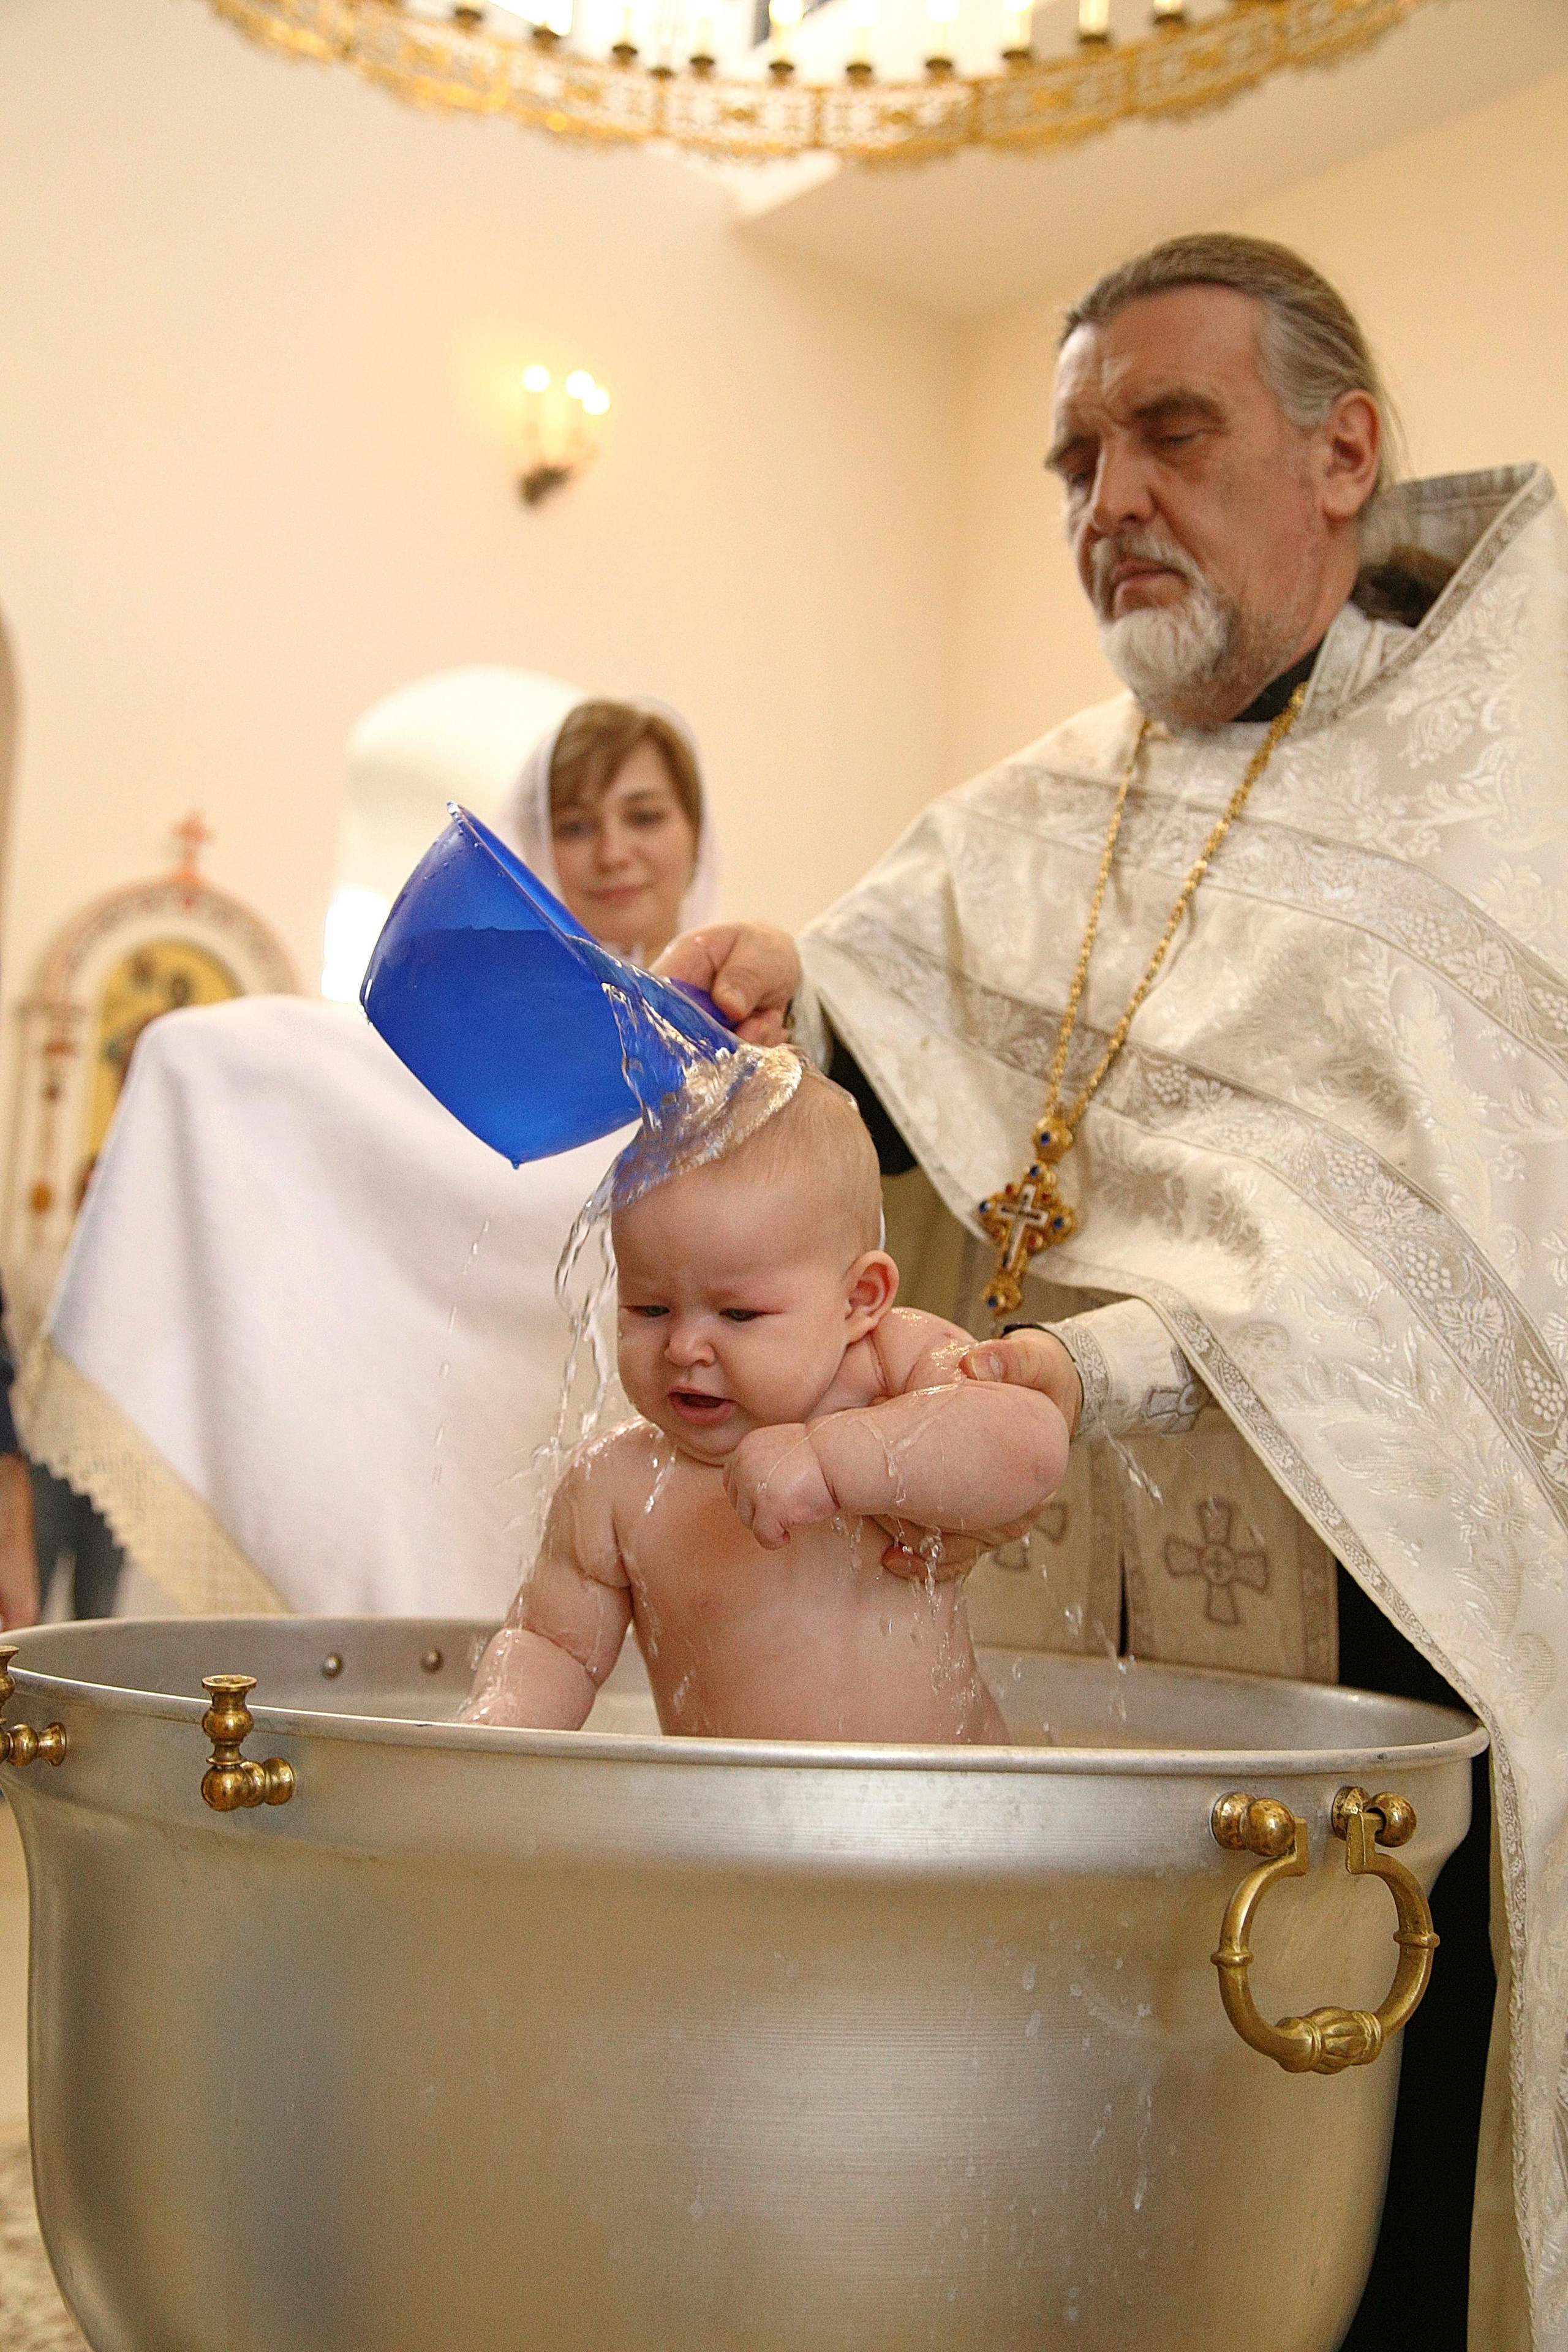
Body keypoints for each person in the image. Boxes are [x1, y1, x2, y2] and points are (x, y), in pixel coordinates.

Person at [660, 236, 1565, 2350]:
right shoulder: (1038, 812)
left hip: (1387, 1645)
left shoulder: (1510, 801)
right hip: (1052, 1621)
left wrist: (1116, 1363)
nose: (1108, 505)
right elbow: (866, 1075)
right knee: (1064, 2174)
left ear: (1344, 455)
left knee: (1350, 2219)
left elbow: (1479, 1247)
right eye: (1074, 460)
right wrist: (788, 1011)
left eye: (1173, 433)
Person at [16, 692, 717, 1621]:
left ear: (696, 833)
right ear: (538, 844)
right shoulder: (480, 1038)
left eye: (643, 815)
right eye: (577, 824)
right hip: (454, 1448)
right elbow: (377, 1121)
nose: (613, 851)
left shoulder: (742, 1038)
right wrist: (204, 1063)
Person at [464, 1065, 1067, 1741]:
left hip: (946, 1818)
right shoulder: (613, 1484)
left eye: (739, 1313)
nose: (685, 1346)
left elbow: (1031, 1443)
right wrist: (496, 1732)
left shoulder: (890, 1377)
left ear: (859, 1299)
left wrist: (833, 1462)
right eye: (650, 1307)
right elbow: (554, 1647)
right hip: (736, 1832)